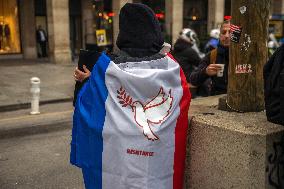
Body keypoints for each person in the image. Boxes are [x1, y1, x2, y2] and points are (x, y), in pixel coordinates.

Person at [71, 3, 191, 189]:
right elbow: (182, 99)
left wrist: (89, 81)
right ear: (154, 32)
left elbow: (86, 107)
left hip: (116, 167)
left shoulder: (106, 69)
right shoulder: (172, 69)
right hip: (159, 170)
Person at [189, 19, 230, 96]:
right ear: (220, 35)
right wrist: (205, 72)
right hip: (216, 101)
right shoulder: (212, 55)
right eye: (224, 32)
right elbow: (193, 79)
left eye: (231, 32)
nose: (227, 36)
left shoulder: (244, 56)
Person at [171, 28, 202, 98]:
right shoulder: (189, 51)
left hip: (175, 78)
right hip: (186, 78)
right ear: (189, 36)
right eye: (193, 37)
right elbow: (200, 63)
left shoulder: (175, 48)